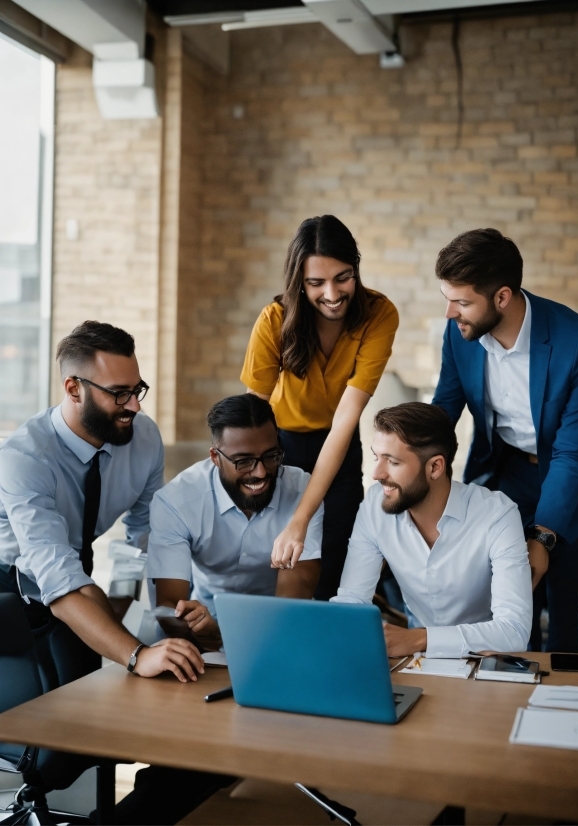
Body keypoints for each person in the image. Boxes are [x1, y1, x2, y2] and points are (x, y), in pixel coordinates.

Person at [0, 321, 231, 825]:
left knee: (124, 719)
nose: (135, 406)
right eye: (120, 394)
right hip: (9, 596)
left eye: (137, 389)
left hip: (71, 581)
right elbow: (57, 582)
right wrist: (134, 652)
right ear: (73, 389)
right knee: (63, 750)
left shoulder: (141, 437)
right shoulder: (24, 459)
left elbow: (150, 536)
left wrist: (179, 607)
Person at [432, 228, 578, 652]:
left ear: (502, 297)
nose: (451, 312)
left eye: (462, 301)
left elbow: (572, 454)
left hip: (570, 482)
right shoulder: (460, 333)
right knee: (509, 608)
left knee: (561, 613)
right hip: (504, 474)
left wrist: (542, 537)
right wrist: (408, 461)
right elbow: (444, 409)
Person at [241, 215, 399, 599]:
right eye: (316, 283)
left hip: (339, 444)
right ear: (299, 282)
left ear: (356, 268)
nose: (332, 293)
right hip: (280, 445)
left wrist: (301, 518)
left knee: (337, 562)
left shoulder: (380, 314)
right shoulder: (274, 320)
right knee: (282, 563)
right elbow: (249, 418)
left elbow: (345, 422)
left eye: (343, 277)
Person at [333, 403, 532, 658]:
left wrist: (419, 639)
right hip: (417, 664)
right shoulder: (375, 505)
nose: (376, 474)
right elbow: (352, 601)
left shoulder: (497, 514)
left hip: (486, 663)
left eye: (392, 462)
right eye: (376, 458)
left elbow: (514, 632)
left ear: (435, 467)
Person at [147, 394, 322, 638]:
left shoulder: (304, 491)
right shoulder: (176, 501)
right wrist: (208, 635)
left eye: (271, 456)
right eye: (244, 461)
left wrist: (231, 639)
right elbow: (169, 606)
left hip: (278, 625)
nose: (260, 472)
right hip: (202, 624)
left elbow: (294, 597)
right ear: (215, 458)